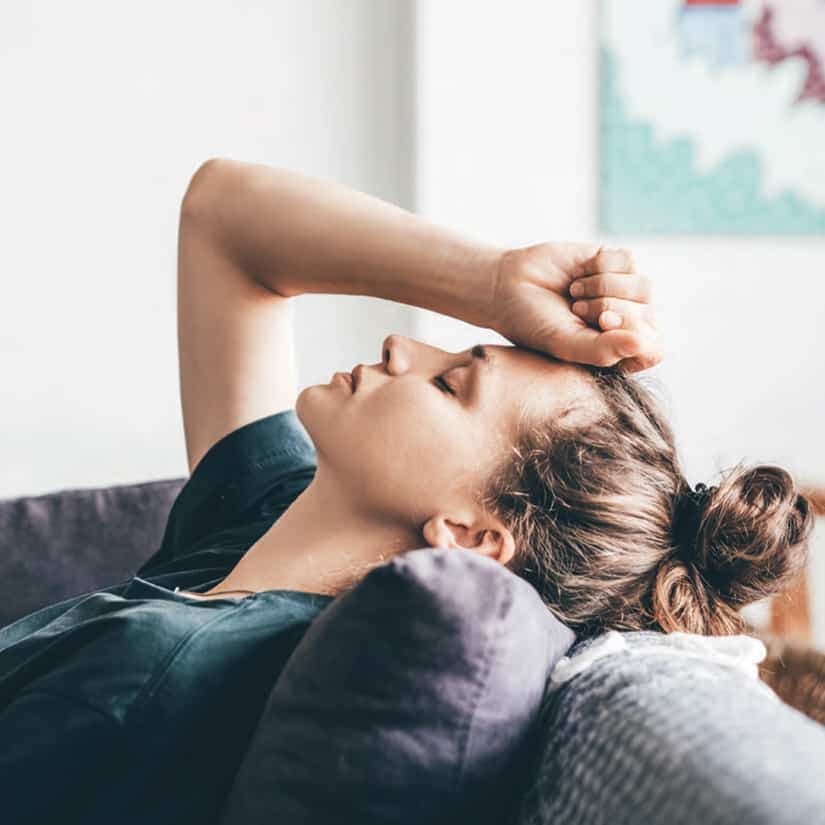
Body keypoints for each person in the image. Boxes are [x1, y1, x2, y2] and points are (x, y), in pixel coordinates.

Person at [0, 160, 812, 824]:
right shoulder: (263, 522)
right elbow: (224, 215)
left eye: (451, 383)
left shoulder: (151, 676)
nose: (401, 344)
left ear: (470, 532)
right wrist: (493, 282)